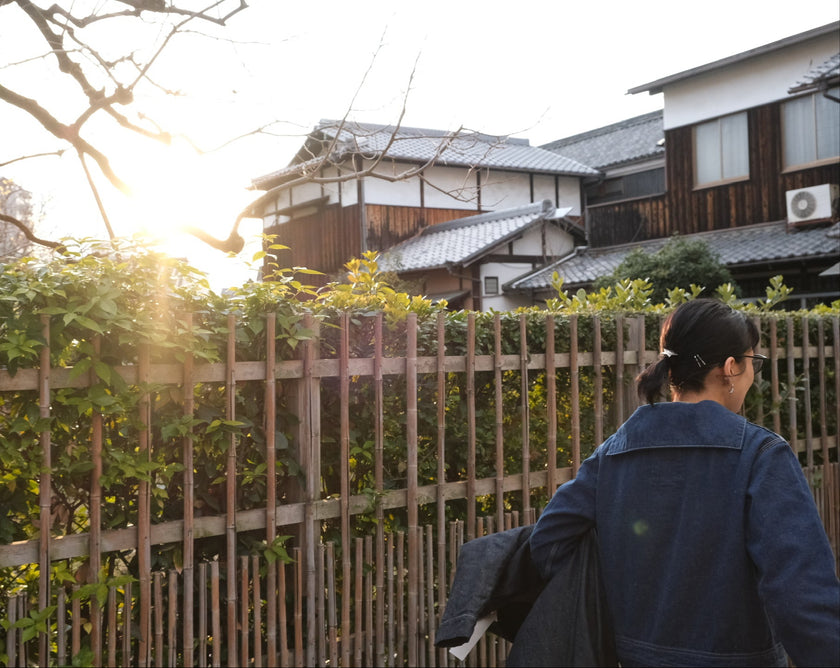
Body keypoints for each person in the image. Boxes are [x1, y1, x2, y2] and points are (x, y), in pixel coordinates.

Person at [529, 298, 840, 667]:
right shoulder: (760, 455)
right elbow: (802, 597)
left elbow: (547, 543)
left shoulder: (612, 455)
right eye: (752, 362)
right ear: (729, 368)